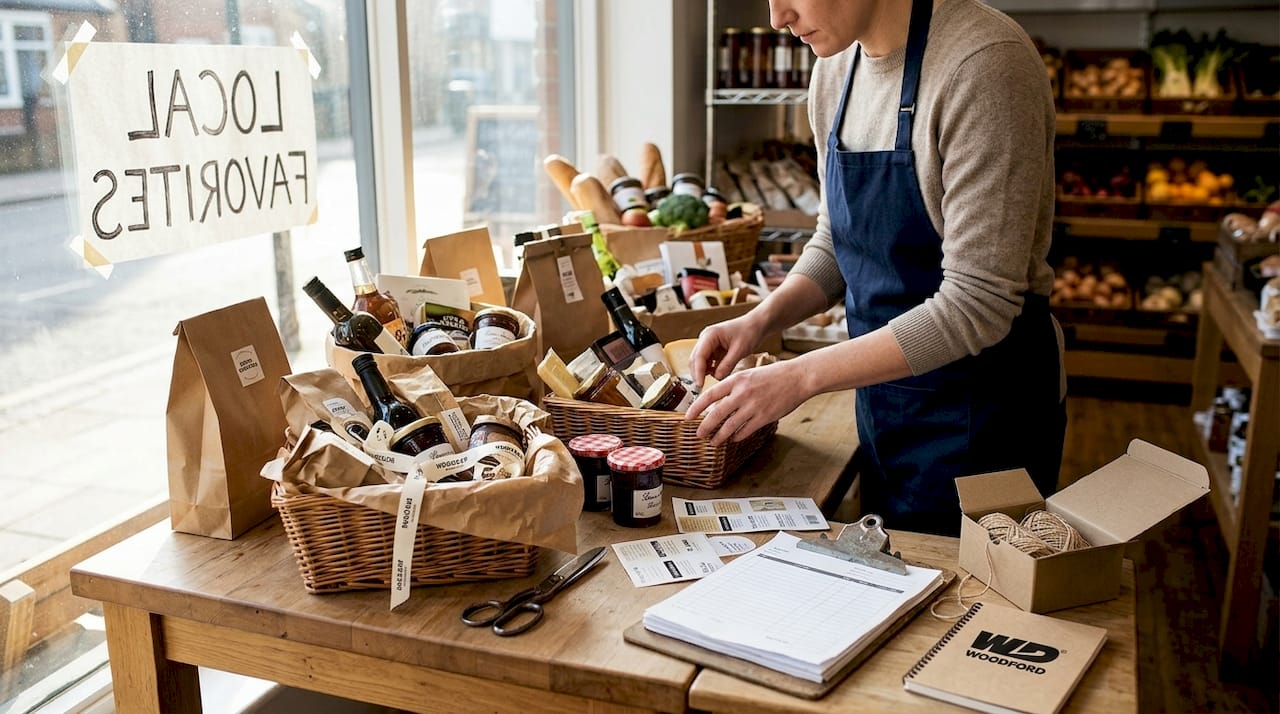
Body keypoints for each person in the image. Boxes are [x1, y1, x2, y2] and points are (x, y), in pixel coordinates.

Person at [685, 0, 1066, 537]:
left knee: (968, 611)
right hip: (887, 407)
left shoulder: (985, 65)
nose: (777, 17)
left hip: (982, 418)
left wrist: (802, 375)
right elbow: (838, 240)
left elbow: (978, 302)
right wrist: (761, 320)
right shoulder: (834, 69)